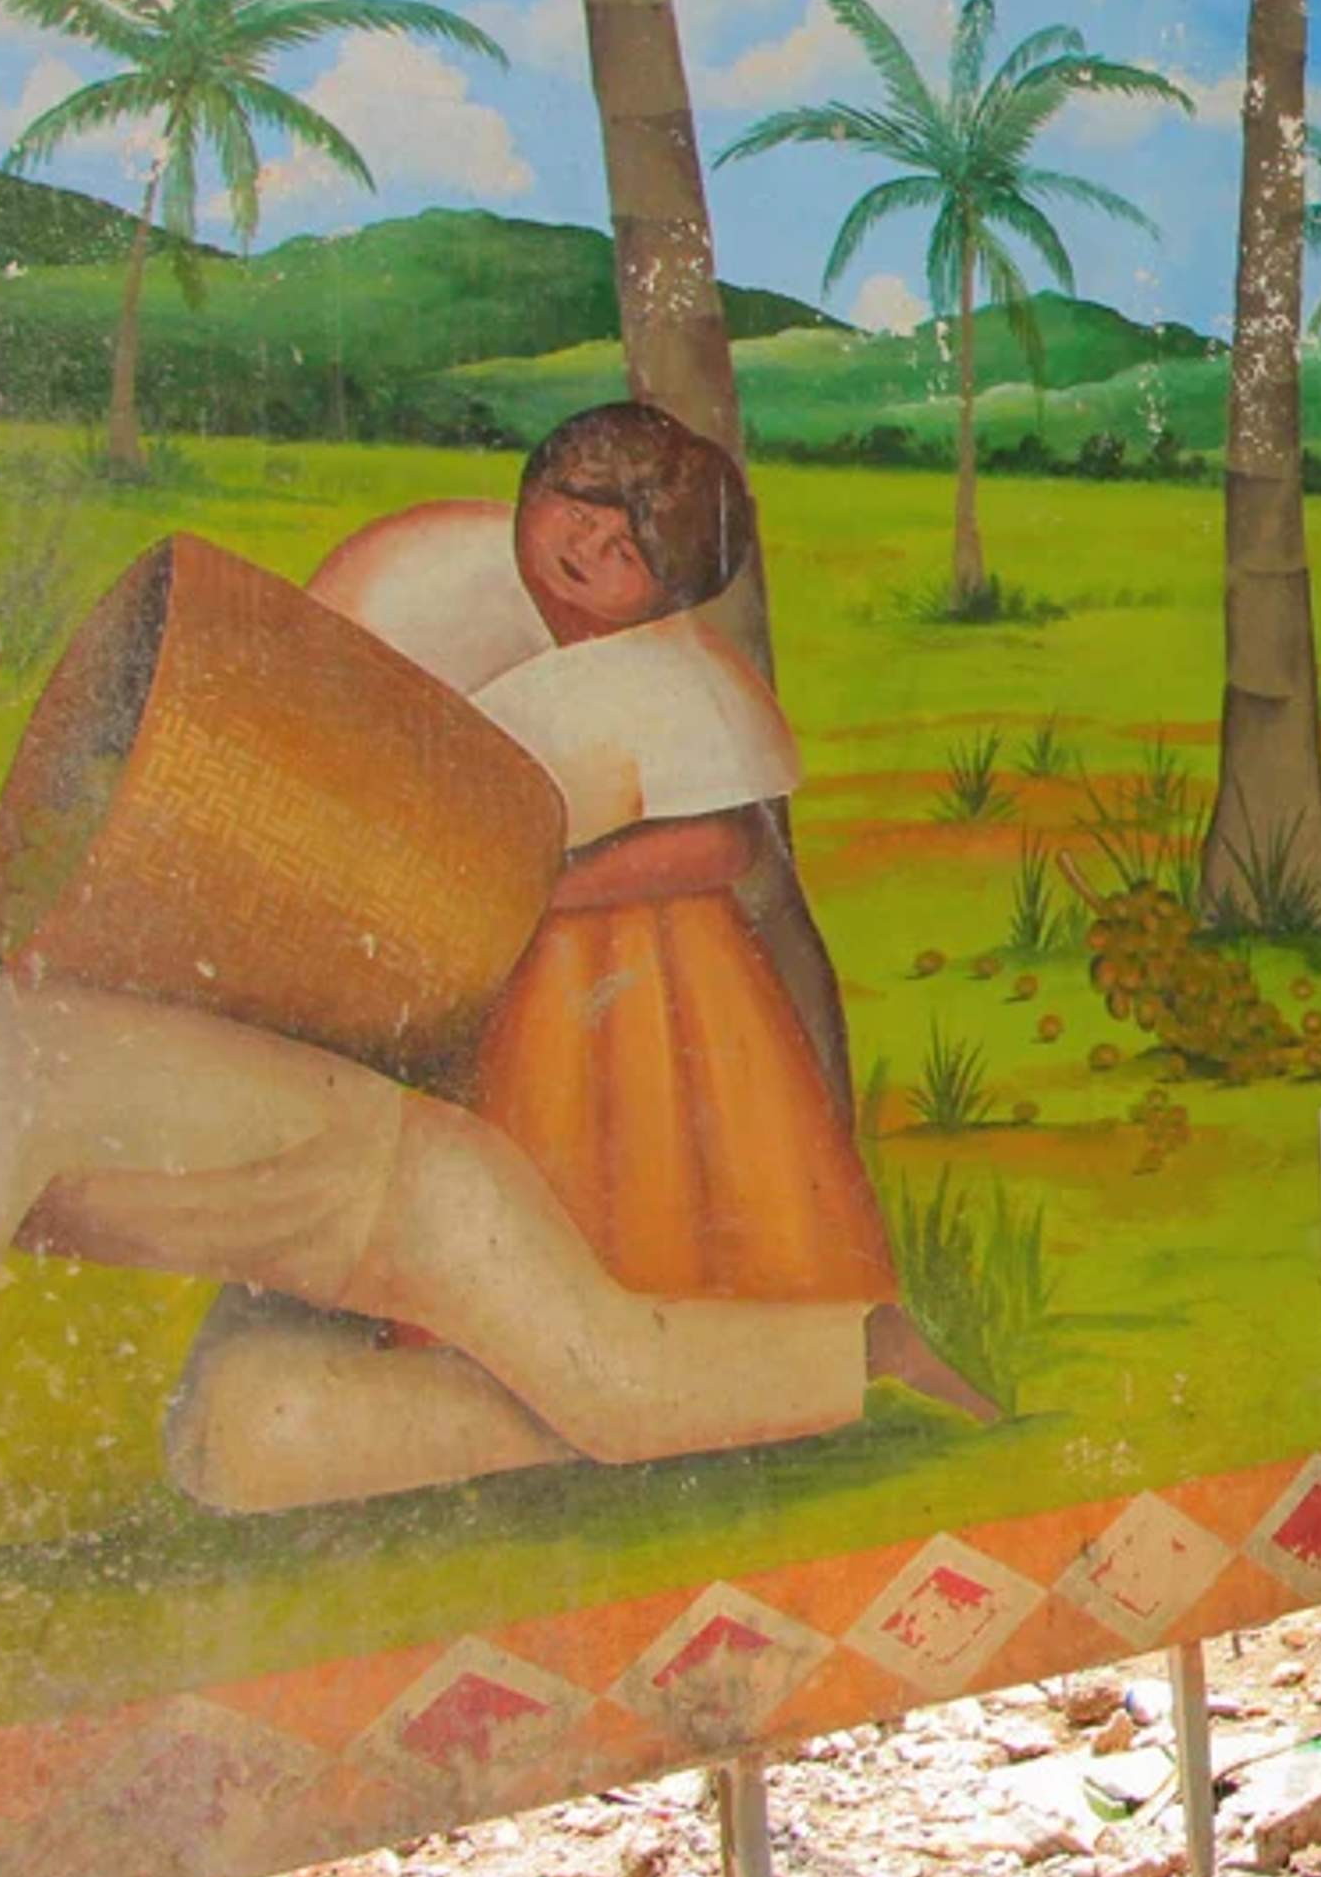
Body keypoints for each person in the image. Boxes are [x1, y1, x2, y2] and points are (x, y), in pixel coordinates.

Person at [0, 871, 992, 1514]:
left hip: (423, 1197)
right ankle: (563, 1423)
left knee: (622, 1394)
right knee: (231, 1445)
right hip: (302, 1272)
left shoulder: (1, 1069)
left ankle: (869, 1346)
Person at [306, 405, 893, 1314]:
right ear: (533, 492)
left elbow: (720, 840)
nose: (589, 548)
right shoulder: (521, 647)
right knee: (517, 1145)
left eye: (630, 551)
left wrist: (552, 893)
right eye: (578, 509)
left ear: (669, 592)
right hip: (531, 951)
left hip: (641, 963)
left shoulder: (672, 681)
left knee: (631, 1146)